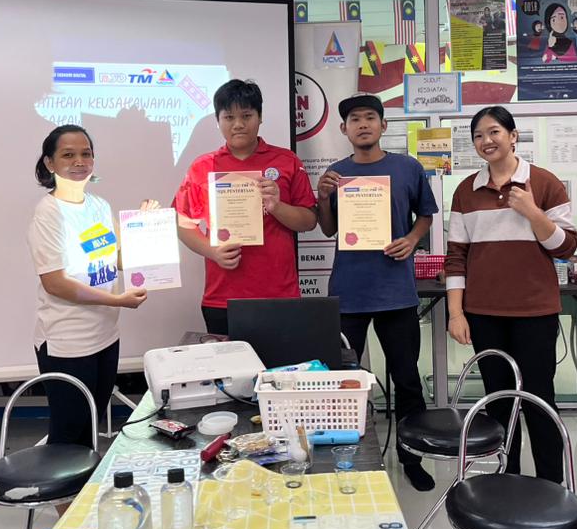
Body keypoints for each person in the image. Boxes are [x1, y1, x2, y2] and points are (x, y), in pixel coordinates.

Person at [444, 106, 577, 483]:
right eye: (478, 136)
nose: (486, 141)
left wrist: (533, 212)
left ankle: (551, 485)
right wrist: (456, 313)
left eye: (494, 132)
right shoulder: (466, 191)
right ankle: (507, 480)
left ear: (513, 136)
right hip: (484, 313)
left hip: (535, 311)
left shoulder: (545, 183)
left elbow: (566, 247)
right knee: (499, 401)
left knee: (538, 398)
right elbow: (456, 258)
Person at [316, 93, 439, 492]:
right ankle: (346, 457)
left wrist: (412, 240)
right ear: (344, 129)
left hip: (396, 292)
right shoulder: (336, 174)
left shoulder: (407, 167)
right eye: (355, 119)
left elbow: (426, 214)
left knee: (406, 379)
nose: (363, 124)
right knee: (343, 382)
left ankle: (412, 457)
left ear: (384, 125)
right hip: (348, 293)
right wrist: (322, 197)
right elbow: (328, 229)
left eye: (370, 117)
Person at [28, 124, 149, 454]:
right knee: (68, 435)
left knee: (89, 427)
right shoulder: (48, 213)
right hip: (68, 342)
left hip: (105, 336)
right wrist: (117, 300)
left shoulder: (98, 206)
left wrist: (146, 227)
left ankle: (84, 486)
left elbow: (118, 259)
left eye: (86, 154)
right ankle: (65, 490)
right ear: (50, 163)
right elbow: (55, 283)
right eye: (68, 155)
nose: (79, 161)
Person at [173, 79, 317, 334]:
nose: (238, 124)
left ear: (260, 117)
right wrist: (212, 251)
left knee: (282, 361)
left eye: (246, 116)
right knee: (228, 361)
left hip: (279, 295)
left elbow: (309, 220)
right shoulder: (203, 166)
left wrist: (277, 206)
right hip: (223, 296)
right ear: (218, 120)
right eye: (229, 117)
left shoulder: (287, 160)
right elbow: (182, 222)